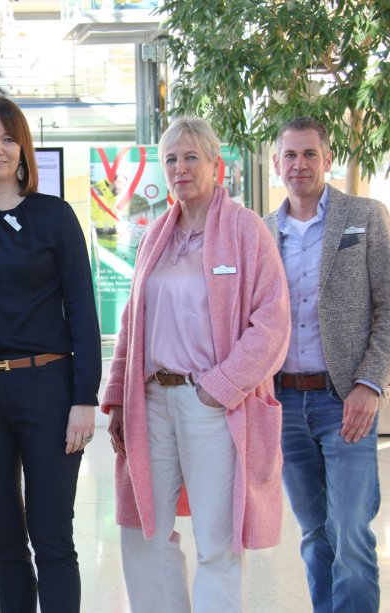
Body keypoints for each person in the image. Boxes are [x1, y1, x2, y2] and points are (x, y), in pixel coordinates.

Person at [103, 117, 290, 612]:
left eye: (191, 158)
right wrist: (119, 396)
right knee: (143, 529)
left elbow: (273, 322)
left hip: (213, 404)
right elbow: (131, 323)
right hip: (152, 403)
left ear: (215, 165)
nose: (180, 168)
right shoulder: (155, 237)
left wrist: (221, 385)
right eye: (170, 159)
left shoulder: (246, 231)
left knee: (216, 541)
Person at [0, 96, 102, 613]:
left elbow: (81, 309)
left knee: (52, 540)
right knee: (3, 544)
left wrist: (85, 398)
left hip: (47, 391)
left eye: (7, 138)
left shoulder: (54, 217)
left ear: (23, 149)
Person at [264, 117, 390, 613]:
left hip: (346, 401)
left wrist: (369, 384)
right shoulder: (261, 232)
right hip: (285, 403)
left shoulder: (365, 216)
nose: (299, 164)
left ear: (327, 159)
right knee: (315, 535)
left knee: (351, 539)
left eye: (309, 154)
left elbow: (388, 307)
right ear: (276, 164)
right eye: (290, 155)